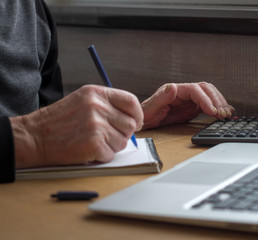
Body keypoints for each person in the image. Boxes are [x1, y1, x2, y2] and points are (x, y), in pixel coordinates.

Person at [0, 0, 234, 183]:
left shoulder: (34, 9)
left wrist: (125, 119)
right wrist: (33, 138)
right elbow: (40, 130)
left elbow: (45, 116)